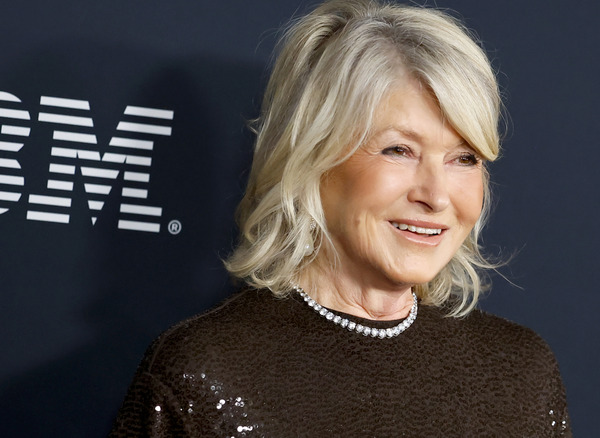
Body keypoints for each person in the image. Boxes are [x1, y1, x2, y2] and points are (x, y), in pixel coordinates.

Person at [110, 0, 572, 436]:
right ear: (314, 158)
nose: (436, 195)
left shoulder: (521, 372)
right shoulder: (204, 374)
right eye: (399, 150)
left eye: (464, 158)